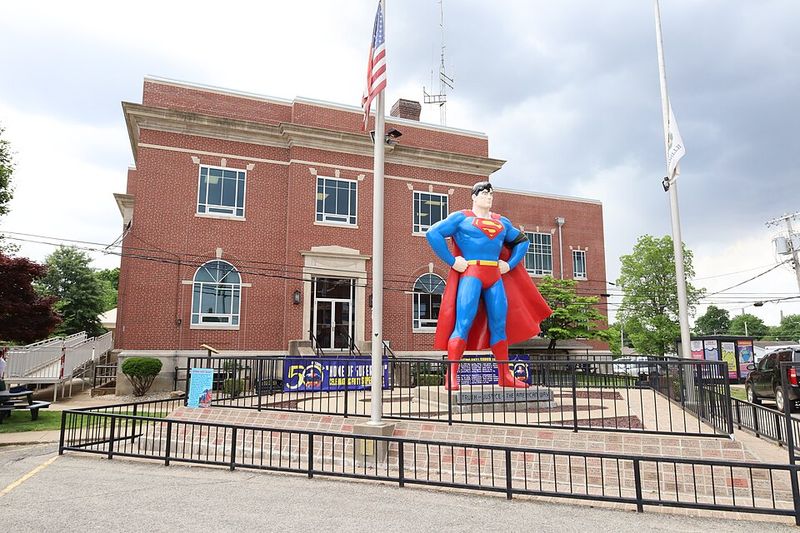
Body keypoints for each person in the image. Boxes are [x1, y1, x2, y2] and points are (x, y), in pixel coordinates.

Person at [426, 181, 552, 390]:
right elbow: (433, 233)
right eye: (484, 193)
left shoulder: (502, 221)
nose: (488, 197)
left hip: (494, 275)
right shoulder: (461, 217)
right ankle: (451, 375)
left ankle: (504, 375)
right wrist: (452, 260)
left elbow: (523, 242)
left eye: (491, 193)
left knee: (499, 325)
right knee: (463, 323)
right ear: (473, 196)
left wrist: (509, 265)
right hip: (471, 274)